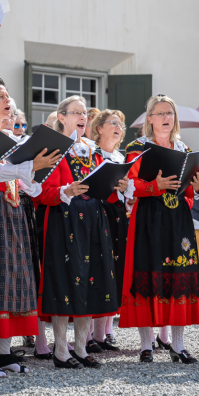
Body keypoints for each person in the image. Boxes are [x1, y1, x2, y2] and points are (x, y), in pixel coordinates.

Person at [0, 77, 61, 376]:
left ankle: (4, 351)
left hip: (13, 208)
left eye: (9, 95)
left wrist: (38, 170)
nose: (8, 100)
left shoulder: (13, 137)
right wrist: (29, 167)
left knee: (12, 279)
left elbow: (28, 186)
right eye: (1, 96)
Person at [37, 95, 123, 370]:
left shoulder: (93, 149)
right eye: (76, 112)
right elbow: (42, 194)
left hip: (94, 223)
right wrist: (68, 190)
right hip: (64, 222)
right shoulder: (52, 148)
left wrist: (115, 186)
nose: (83, 117)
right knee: (65, 284)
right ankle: (61, 351)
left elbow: (104, 193)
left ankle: (82, 349)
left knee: (90, 282)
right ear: (61, 117)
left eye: (84, 112)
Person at [119, 95, 199, 364]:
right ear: (150, 119)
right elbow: (129, 185)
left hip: (178, 219)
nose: (166, 117)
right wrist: (154, 185)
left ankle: (178, 345)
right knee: (146, 277)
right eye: (160, 113)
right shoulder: (137, 148)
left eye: (170, 112)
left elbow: (190, 192)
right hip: (149, 218)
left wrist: (198, 185)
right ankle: (146, 345)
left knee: (178, 276)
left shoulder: (185, 149)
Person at [89, 109, 132, 351]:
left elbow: (126, 197)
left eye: (120, 124)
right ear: (99, 128)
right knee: (97, 268)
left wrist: (127, 191)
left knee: (113, 270)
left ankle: (105, 332)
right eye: (113, 123)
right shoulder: (91, 155)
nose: (118, 127)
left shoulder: (120, 158)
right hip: (96, 215)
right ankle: (92, 334)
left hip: (116, 216)